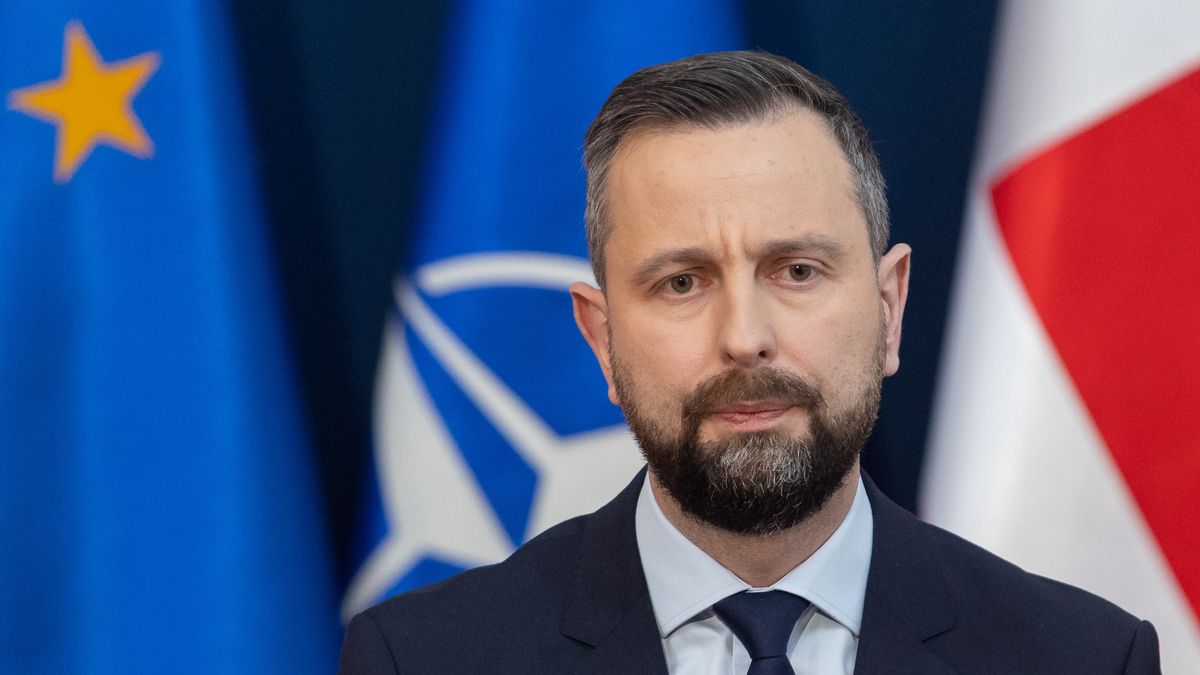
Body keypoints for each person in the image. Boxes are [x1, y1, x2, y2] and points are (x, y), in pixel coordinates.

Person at [338, 51, 1160, 674]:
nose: (744, 336)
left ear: (888, 308)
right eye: (682, 281)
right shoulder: (424, 658)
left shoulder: (1083, 656)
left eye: (797, 270)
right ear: (602, 340)